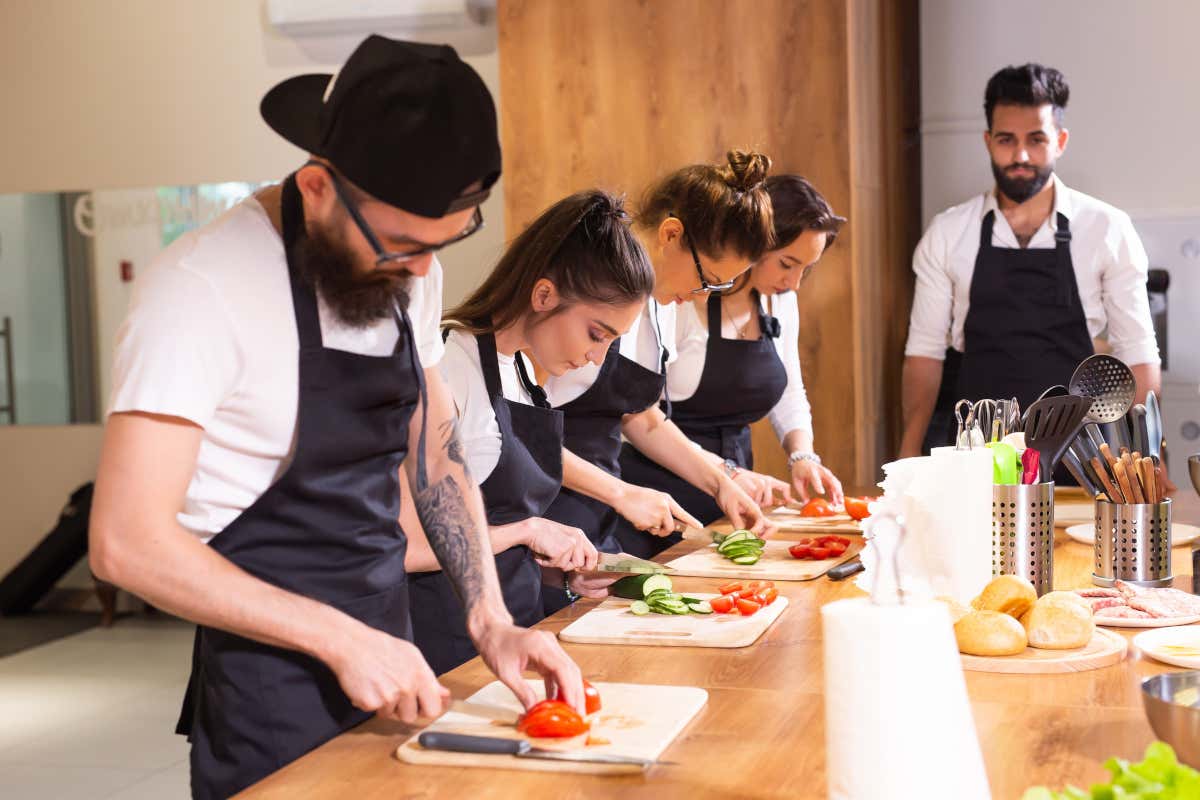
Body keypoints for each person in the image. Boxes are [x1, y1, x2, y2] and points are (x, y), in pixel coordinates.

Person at [87, 37, 585, 800]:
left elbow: (437, 450)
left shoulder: (411, 268)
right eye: (402, 247)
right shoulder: (199, 291)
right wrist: (339, 638)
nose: (422, 273)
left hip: (393, 651)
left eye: (442, 245)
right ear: (318, 186)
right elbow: (125, 543)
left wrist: (488, 615)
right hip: (270, 686)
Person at [405, 190, 652, 674]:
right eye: (597, 335)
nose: (596, 359)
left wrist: (558, 573)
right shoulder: (450, 370)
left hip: (522, 633)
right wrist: (529, 530)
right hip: (450, 649)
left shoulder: (524, 375)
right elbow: (410, 546)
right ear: (543, 296)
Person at [900, 63, 1161, 458]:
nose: (1020, 155)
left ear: (1060, 141)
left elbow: (1137, 355)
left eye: (1036, 139)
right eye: (1006, 139)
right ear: (988, 141)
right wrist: (909, 453)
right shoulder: (949, 232)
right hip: (978, 456)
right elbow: (924, 356)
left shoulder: (1108, 228)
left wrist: (1148, 459)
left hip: (1081, 458)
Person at [541, 150, 776, 574]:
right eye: (708, 279)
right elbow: (520, 434)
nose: (706, 295)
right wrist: (619, 492)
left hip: (598, 514)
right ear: (670, 235)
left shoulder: (662, 306)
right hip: (544, 511)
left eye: (721, 286)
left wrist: (722, 483)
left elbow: (642, 419)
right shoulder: (591, 293)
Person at [618, 175, 845, 543]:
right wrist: (725, 474)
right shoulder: (676, 293)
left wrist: (801, 456)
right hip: (656, 484)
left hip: (729, 488)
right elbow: (640, 418)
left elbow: (789, 390)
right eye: (787, 263)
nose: (795, 283)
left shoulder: (777, 301)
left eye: (807, 269)